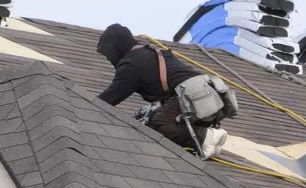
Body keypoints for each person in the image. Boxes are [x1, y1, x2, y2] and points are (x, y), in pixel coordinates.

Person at [96, 23, 229, 158]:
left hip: (193, 95)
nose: (110, 59)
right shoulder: (148, 54)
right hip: (210, 94)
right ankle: (206, 142)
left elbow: (109, 98)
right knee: (152, 122)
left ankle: (208, 136)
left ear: (117, 47)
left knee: (158, 124)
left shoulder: (132, 64)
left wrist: (83, 104)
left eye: (109, 54)